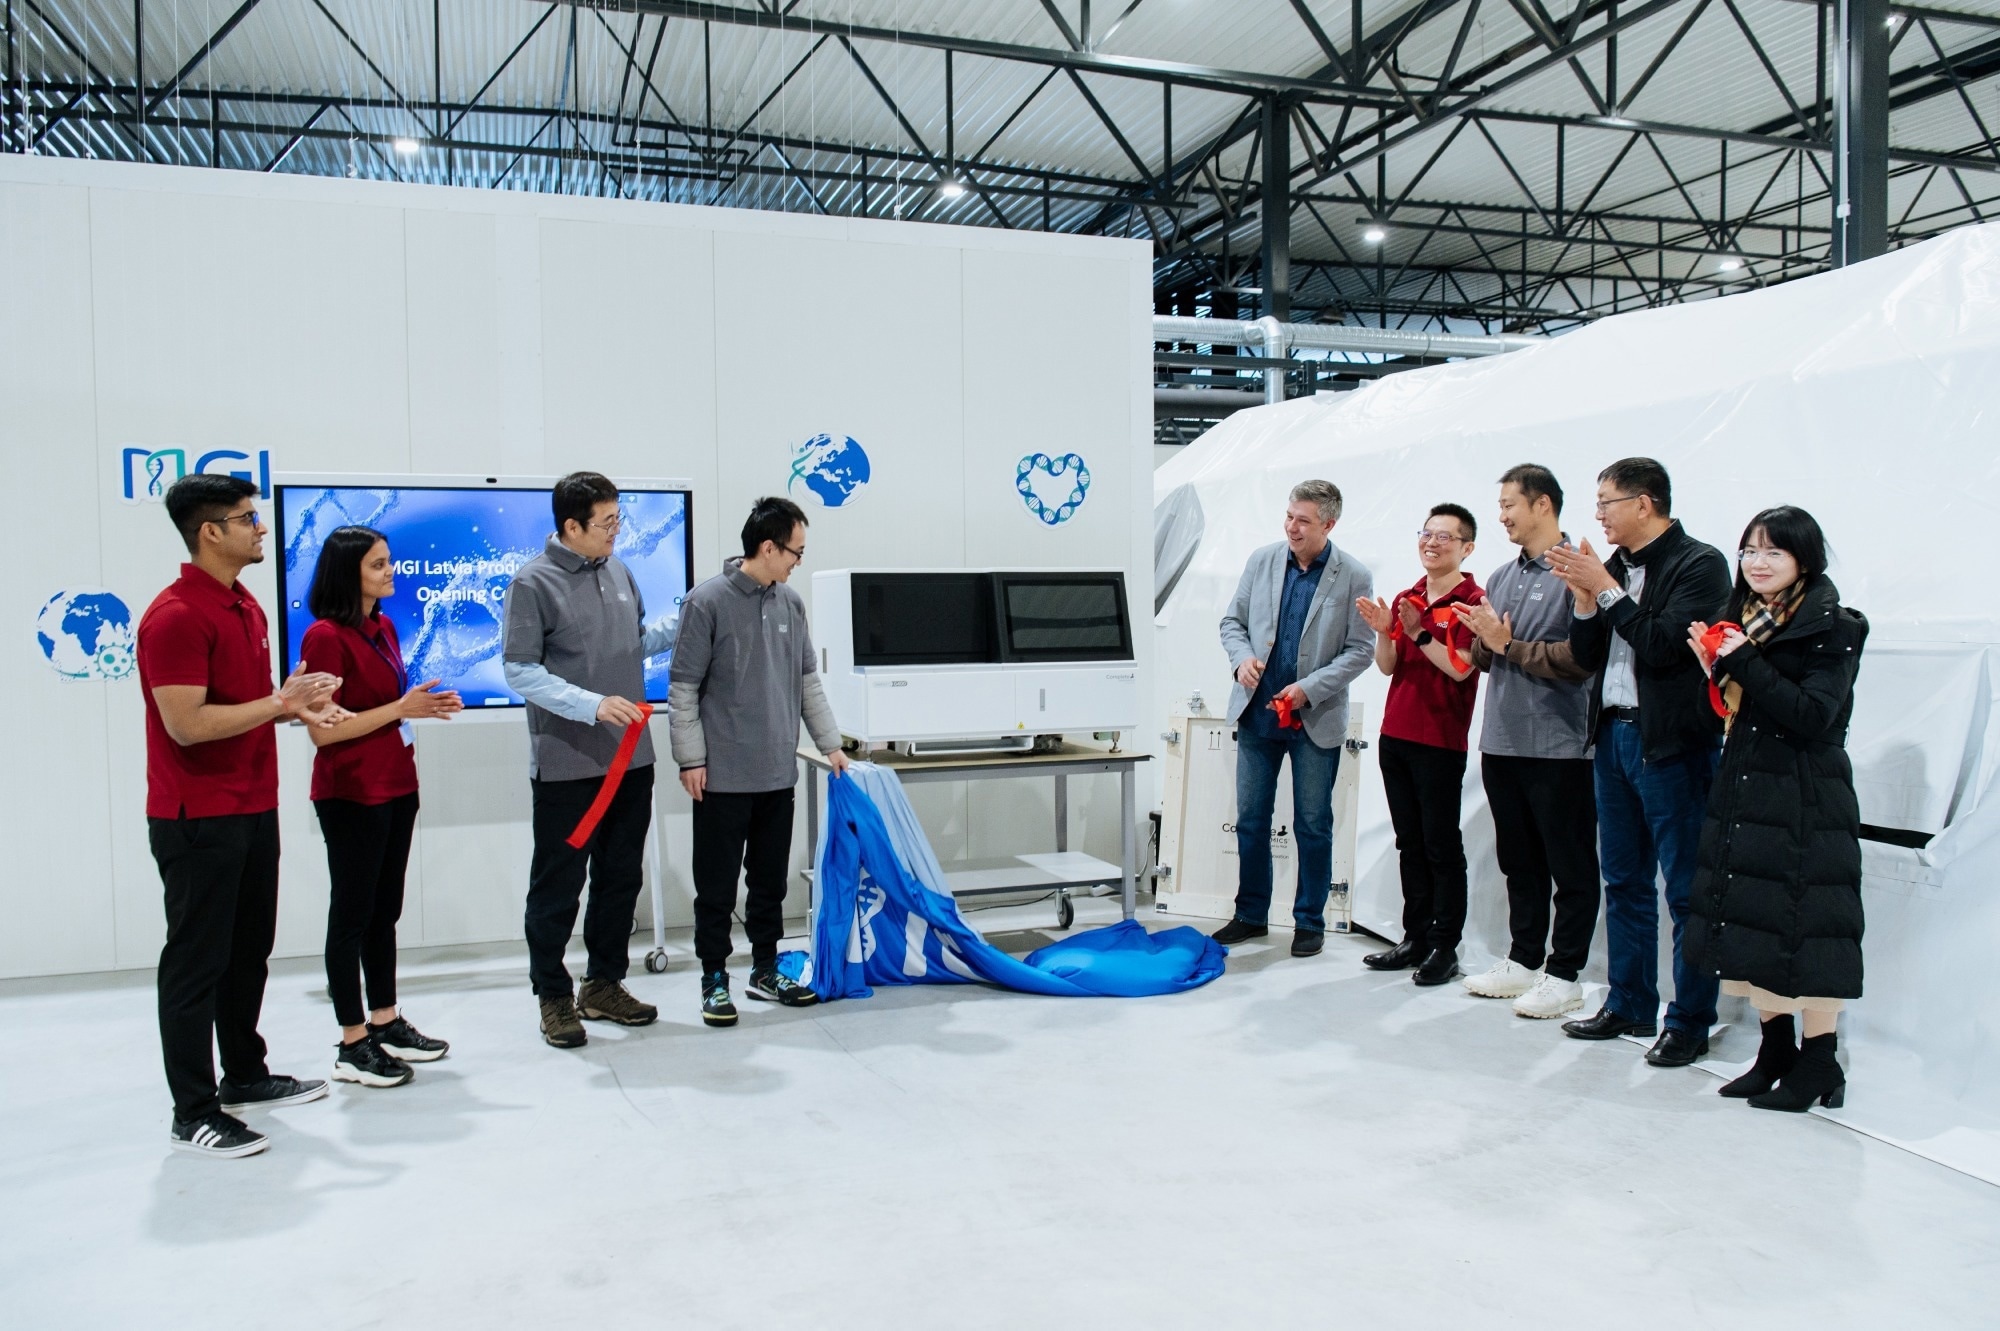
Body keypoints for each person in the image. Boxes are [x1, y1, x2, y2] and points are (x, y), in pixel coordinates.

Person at [139, 473, 341, 1159]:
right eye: (248, 518)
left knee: (247, 951)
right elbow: (188, 724)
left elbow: (247, 708)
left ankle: (245, 1075)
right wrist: (282, 703)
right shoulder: (175, 616)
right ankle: (193, 1110)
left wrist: (300, 706)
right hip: (198, 815)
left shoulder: (245, 605)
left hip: (254, 805)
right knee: (196, 962)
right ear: (210, 532)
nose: (261, 528)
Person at [1547, 458, 1732, 1066]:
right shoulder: (1615, 567)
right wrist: (1584, 601)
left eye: (1607, 502)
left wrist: (1603, 588)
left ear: (1644, 503)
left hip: (1672, 745)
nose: (1598, 514)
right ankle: (1629, 1001)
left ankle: (1690, 1020)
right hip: (1612, 736)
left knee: (1685, 888)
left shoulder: (1700, 564)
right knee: (1624, 881)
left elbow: (1663, 646)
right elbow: (1586, 655)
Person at [1686, 508, 1867, 1112]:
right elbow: (1732, 714)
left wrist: (1741, 662)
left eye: (1773, 552)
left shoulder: (1835, 626)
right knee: (1752, 922)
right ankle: (1775, 1052)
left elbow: (1814, 715)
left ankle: (1820, 1060)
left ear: (1804, 560)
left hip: (1806, 794)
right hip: (1746, 787)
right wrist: (1715, 671)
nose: (1756, 564)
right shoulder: (1741, 621)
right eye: (1749, 551)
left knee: (1810, 928)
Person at [501, 472, 680, 1049]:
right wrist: (591, 704)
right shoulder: (532, 582)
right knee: (557, 885)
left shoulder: (620, 571)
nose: (616, 531)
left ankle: (603, 984)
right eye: (606, 522)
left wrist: (688, 618)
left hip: (630, 759)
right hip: (568, 765)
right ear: (570, 526)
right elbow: (519, 669)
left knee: (621, 878)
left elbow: (633, 642)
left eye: (618, 519)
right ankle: (553, 996)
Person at [670, 496, 849, 1028]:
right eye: (796, 551)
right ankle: (713, 978)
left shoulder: (790, 604)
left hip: (777, 772)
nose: (799, 561)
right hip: (721, 776)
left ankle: (765, 969)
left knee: (769, 883)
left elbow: (807, 682)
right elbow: (683, 688)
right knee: (717, 887)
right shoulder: (706, 602)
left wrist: (831, 744)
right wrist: (690, 758)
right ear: (768, 548)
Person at [300, 526, 463, 1089]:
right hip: (352, 793)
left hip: (396, 785)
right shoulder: (324, 636)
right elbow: (324, 731)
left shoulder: (384, 626)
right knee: (351, 915)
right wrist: (400, 708)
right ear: (348, 574)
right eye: (378, 565)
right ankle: (351, 1043)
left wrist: (419, 706)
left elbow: (389, 708)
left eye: (389, 561)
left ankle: (385, 1020)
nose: (391, 571)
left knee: (383, 911)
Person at [1453, 465, 1601, 1020]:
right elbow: (1488, 658)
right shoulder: (1500, 576)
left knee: (1570, 865)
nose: (1502, 516)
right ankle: (1523, 958)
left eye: (1509, 504)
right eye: (1500, 506)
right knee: (1518, 861)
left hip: (1560, 745)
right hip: (1502, 740)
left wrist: (1505, 643)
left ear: (1543, 505)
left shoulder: (1577, 572)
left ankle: (1565, 974)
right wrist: (1483, 637)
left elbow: (1580, 660)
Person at [1213, 480, 1375, 957]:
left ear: (1329, 523)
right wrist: (1241, 659)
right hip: (1258, 714)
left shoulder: (1354, 575)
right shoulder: (1262, 560)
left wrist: (1311, 688)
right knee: (1250, 820)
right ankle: (1250, 914)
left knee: (1313, 823)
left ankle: (1309, 921)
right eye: (1288, 516)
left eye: (1303, 520)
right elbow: (1232, 623)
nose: (1292, 527)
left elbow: (1360, 650)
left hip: (1315, 719)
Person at [1353, 504, 1484, 985]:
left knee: (1441, 846)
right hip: (1396, 736)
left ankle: (1445, 946)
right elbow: (1388, 666)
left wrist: (1418, 632)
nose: (1432, 543)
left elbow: (1461, 668)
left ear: (1467, 547)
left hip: (1440, 741)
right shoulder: (1408, 596)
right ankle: (1415, 937)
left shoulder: (1472, 602)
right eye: (1427, 534)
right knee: (1409, 843)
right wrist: (1384, 633)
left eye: (1445, 536)